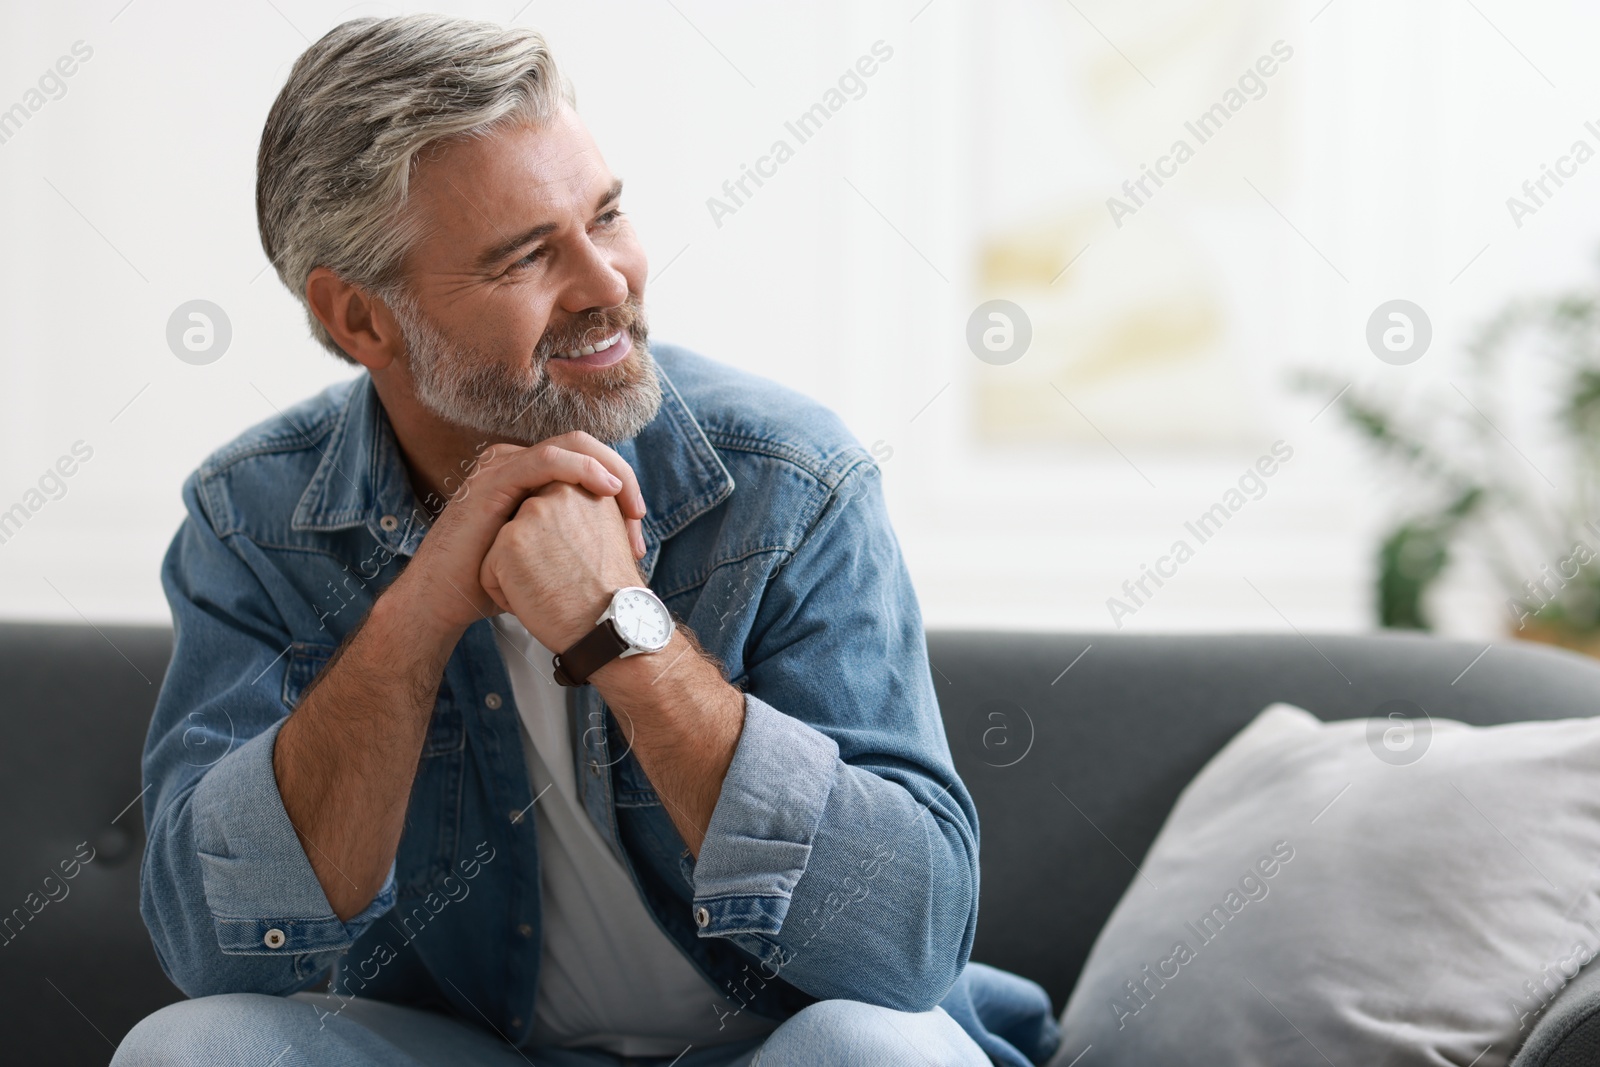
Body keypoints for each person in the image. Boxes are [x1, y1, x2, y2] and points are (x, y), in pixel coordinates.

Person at [112, 14, 1060, 1066]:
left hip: (773, 1048)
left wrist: (624, 632)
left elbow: (908, 945)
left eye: (605, 216)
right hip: (476, 1048)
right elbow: (217, 949)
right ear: (361, 321)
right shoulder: (252, 520)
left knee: (882, 1056)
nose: (607, 281)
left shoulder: (788, 480)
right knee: (191, 1047)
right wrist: (421, 610)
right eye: (526, 255)